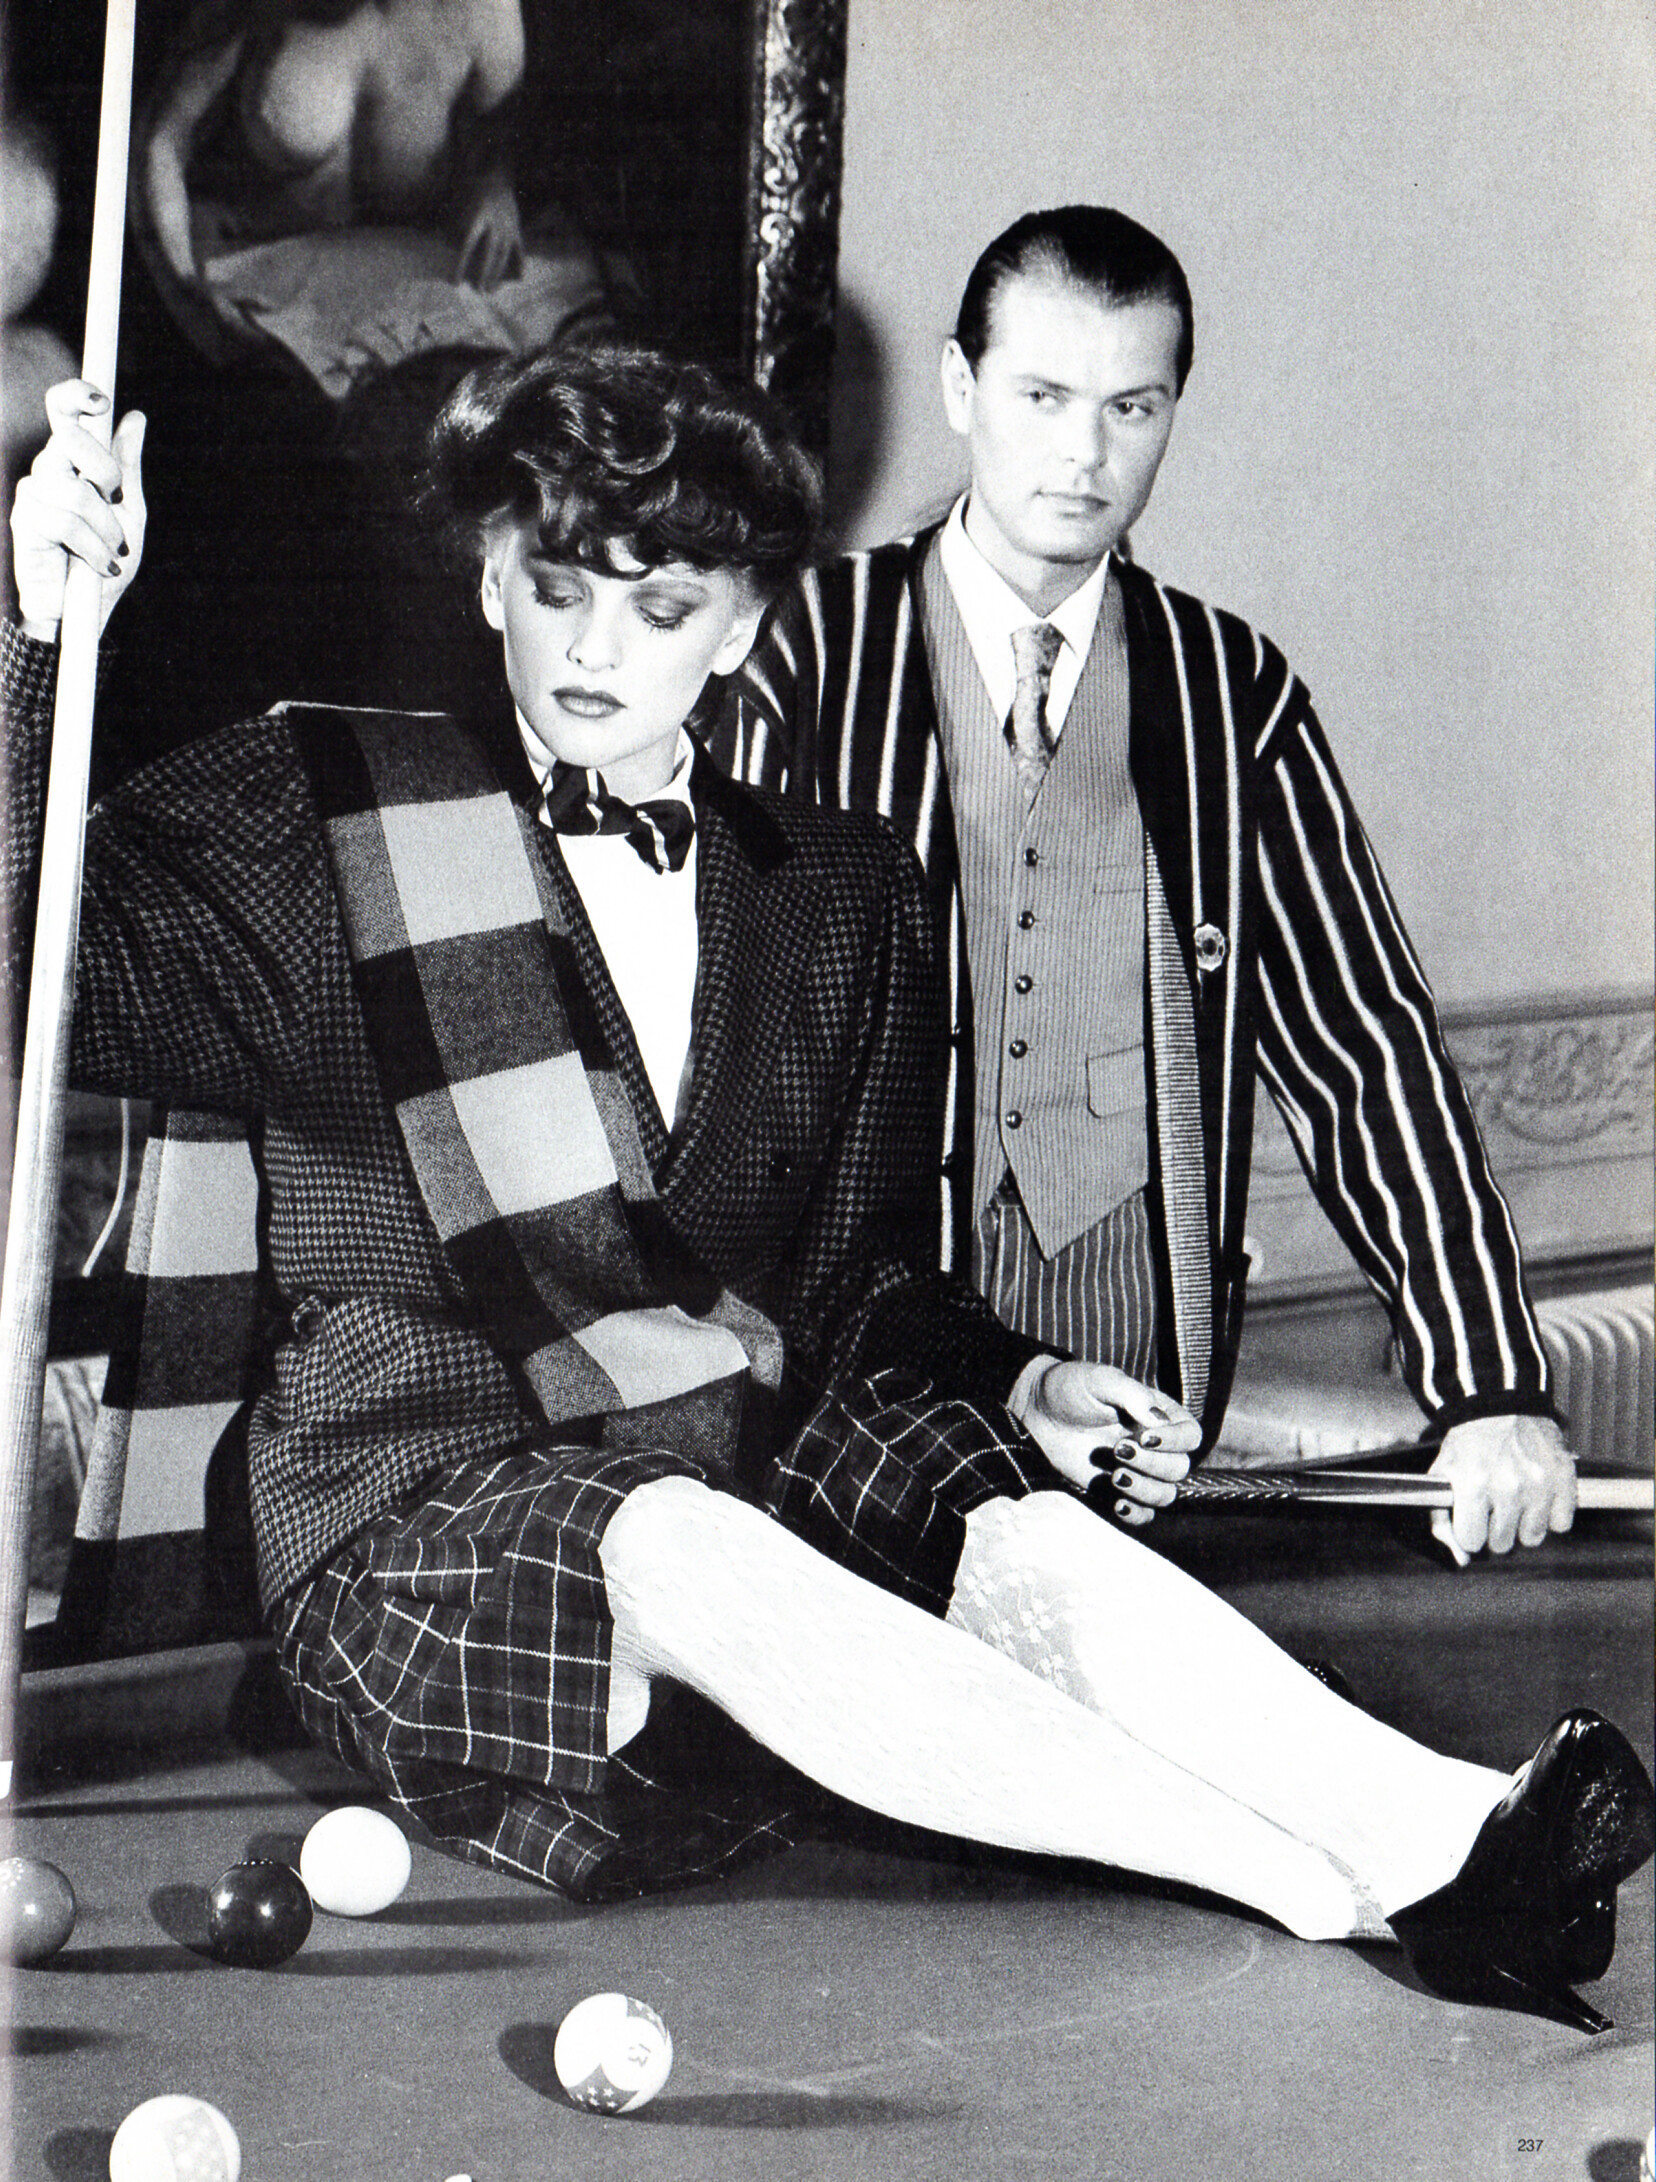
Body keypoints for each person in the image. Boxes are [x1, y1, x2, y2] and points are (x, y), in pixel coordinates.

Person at [6, 351, 1650, 2033]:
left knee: (995, 1513)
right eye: (557, 589)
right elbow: (20, 951)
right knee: (675, 1535)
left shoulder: (840, 893)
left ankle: (1453, 1825)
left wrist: (1020, 1373)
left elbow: (855, 1285)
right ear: (492, 578)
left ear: (738, 628)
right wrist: (41, 638)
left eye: (660, 607)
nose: (592, 649)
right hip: (412, 1528)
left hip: (740, 1486)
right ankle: (1324, 1882)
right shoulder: (323, 830)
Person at [720, 205, 1575, 1568]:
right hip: (860, 1378)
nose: (1085, 452)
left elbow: (1363, 1044)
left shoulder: (1231, 689)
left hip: (1139, 1386)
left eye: (1132, 406)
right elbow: (711, 1057)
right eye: (1043, 396)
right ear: (960, 387)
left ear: (1175, 410)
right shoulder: (808, 650)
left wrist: (1488, 1385)